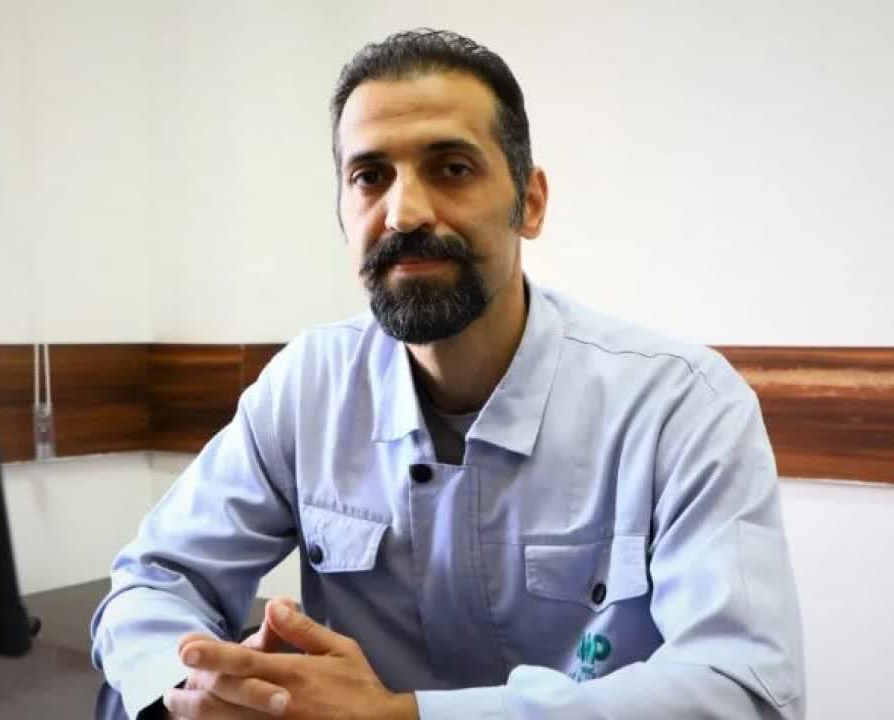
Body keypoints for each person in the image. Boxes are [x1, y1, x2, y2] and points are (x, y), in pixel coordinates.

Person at [91, 28, 805, 720]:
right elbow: (153, 582)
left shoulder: (680, 404)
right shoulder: (307, 388)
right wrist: (192, 695)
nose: (403, 213)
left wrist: (404, 716)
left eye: (452, 168)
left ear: (529, 202)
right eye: (370, 177)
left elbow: (741, 691)